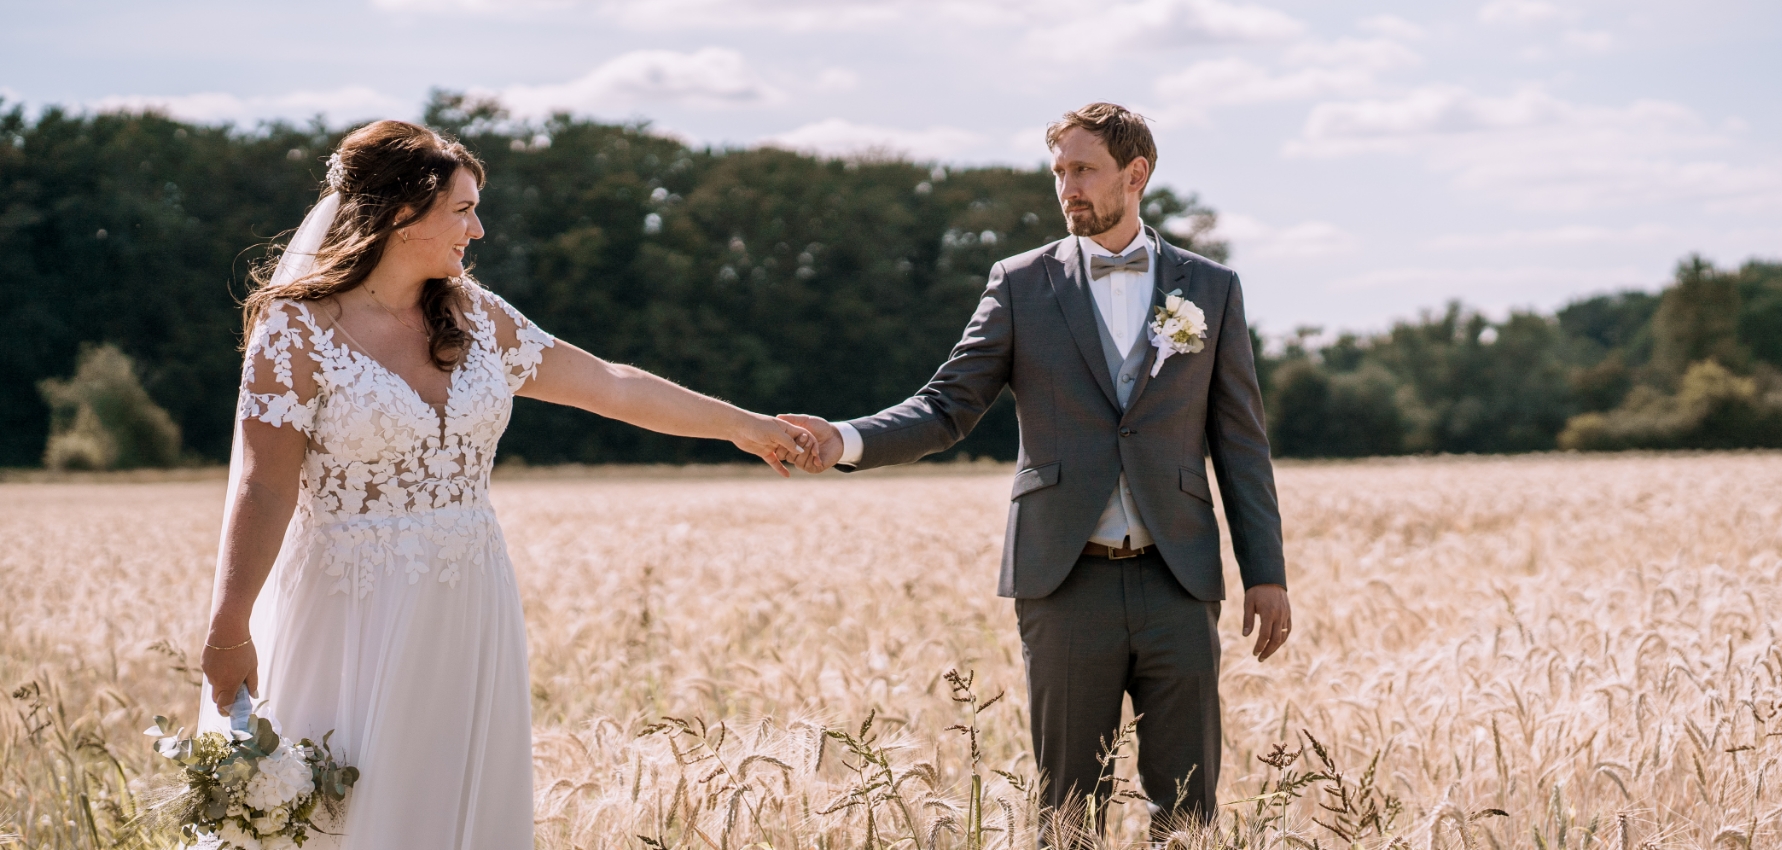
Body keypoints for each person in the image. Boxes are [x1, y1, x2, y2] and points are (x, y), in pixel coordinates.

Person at [196, 119, 815, 848]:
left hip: (468, 599)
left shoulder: (476, 316)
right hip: (347, 605)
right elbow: (265, 489)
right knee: (339, 813)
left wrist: (743, 426)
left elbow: (610, 384)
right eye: (462, 210)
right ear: (401, 215)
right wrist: (229, 623)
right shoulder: (296, 331)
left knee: (452, 805)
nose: (479, 229)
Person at [781, 102, 1291, 838]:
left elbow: (1240, 441)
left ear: (1135, 173)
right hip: (1063, 580)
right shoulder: (1019, 284)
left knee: (1189, 814)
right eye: (1059, 172)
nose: (1067, 187)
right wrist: (846, 438)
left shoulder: (1210, 288)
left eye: (1083, 169)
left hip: (1178, 582)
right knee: (1067, 814)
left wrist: (1265, 572)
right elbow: (945, 405)